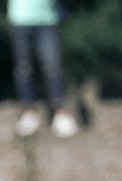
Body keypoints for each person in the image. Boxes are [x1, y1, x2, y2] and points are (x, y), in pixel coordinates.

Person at [10, 0, 78, 139]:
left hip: (47, 20)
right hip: (20, 19)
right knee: (23, 70)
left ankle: (60, 112)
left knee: (53, 68)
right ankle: (28, 113)